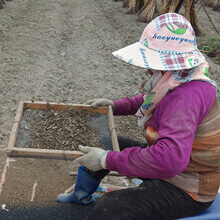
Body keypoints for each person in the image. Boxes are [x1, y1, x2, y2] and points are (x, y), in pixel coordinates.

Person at [57, 13, 220, 219]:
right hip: (173, 163)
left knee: (109, 209)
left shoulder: (185, 98)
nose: (146, 68)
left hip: (187, 186)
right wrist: (115, 106)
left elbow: (169, 160)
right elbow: (153, 98)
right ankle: (80, 195)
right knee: (107, 142)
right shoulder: (180, 74)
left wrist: (106, 160)